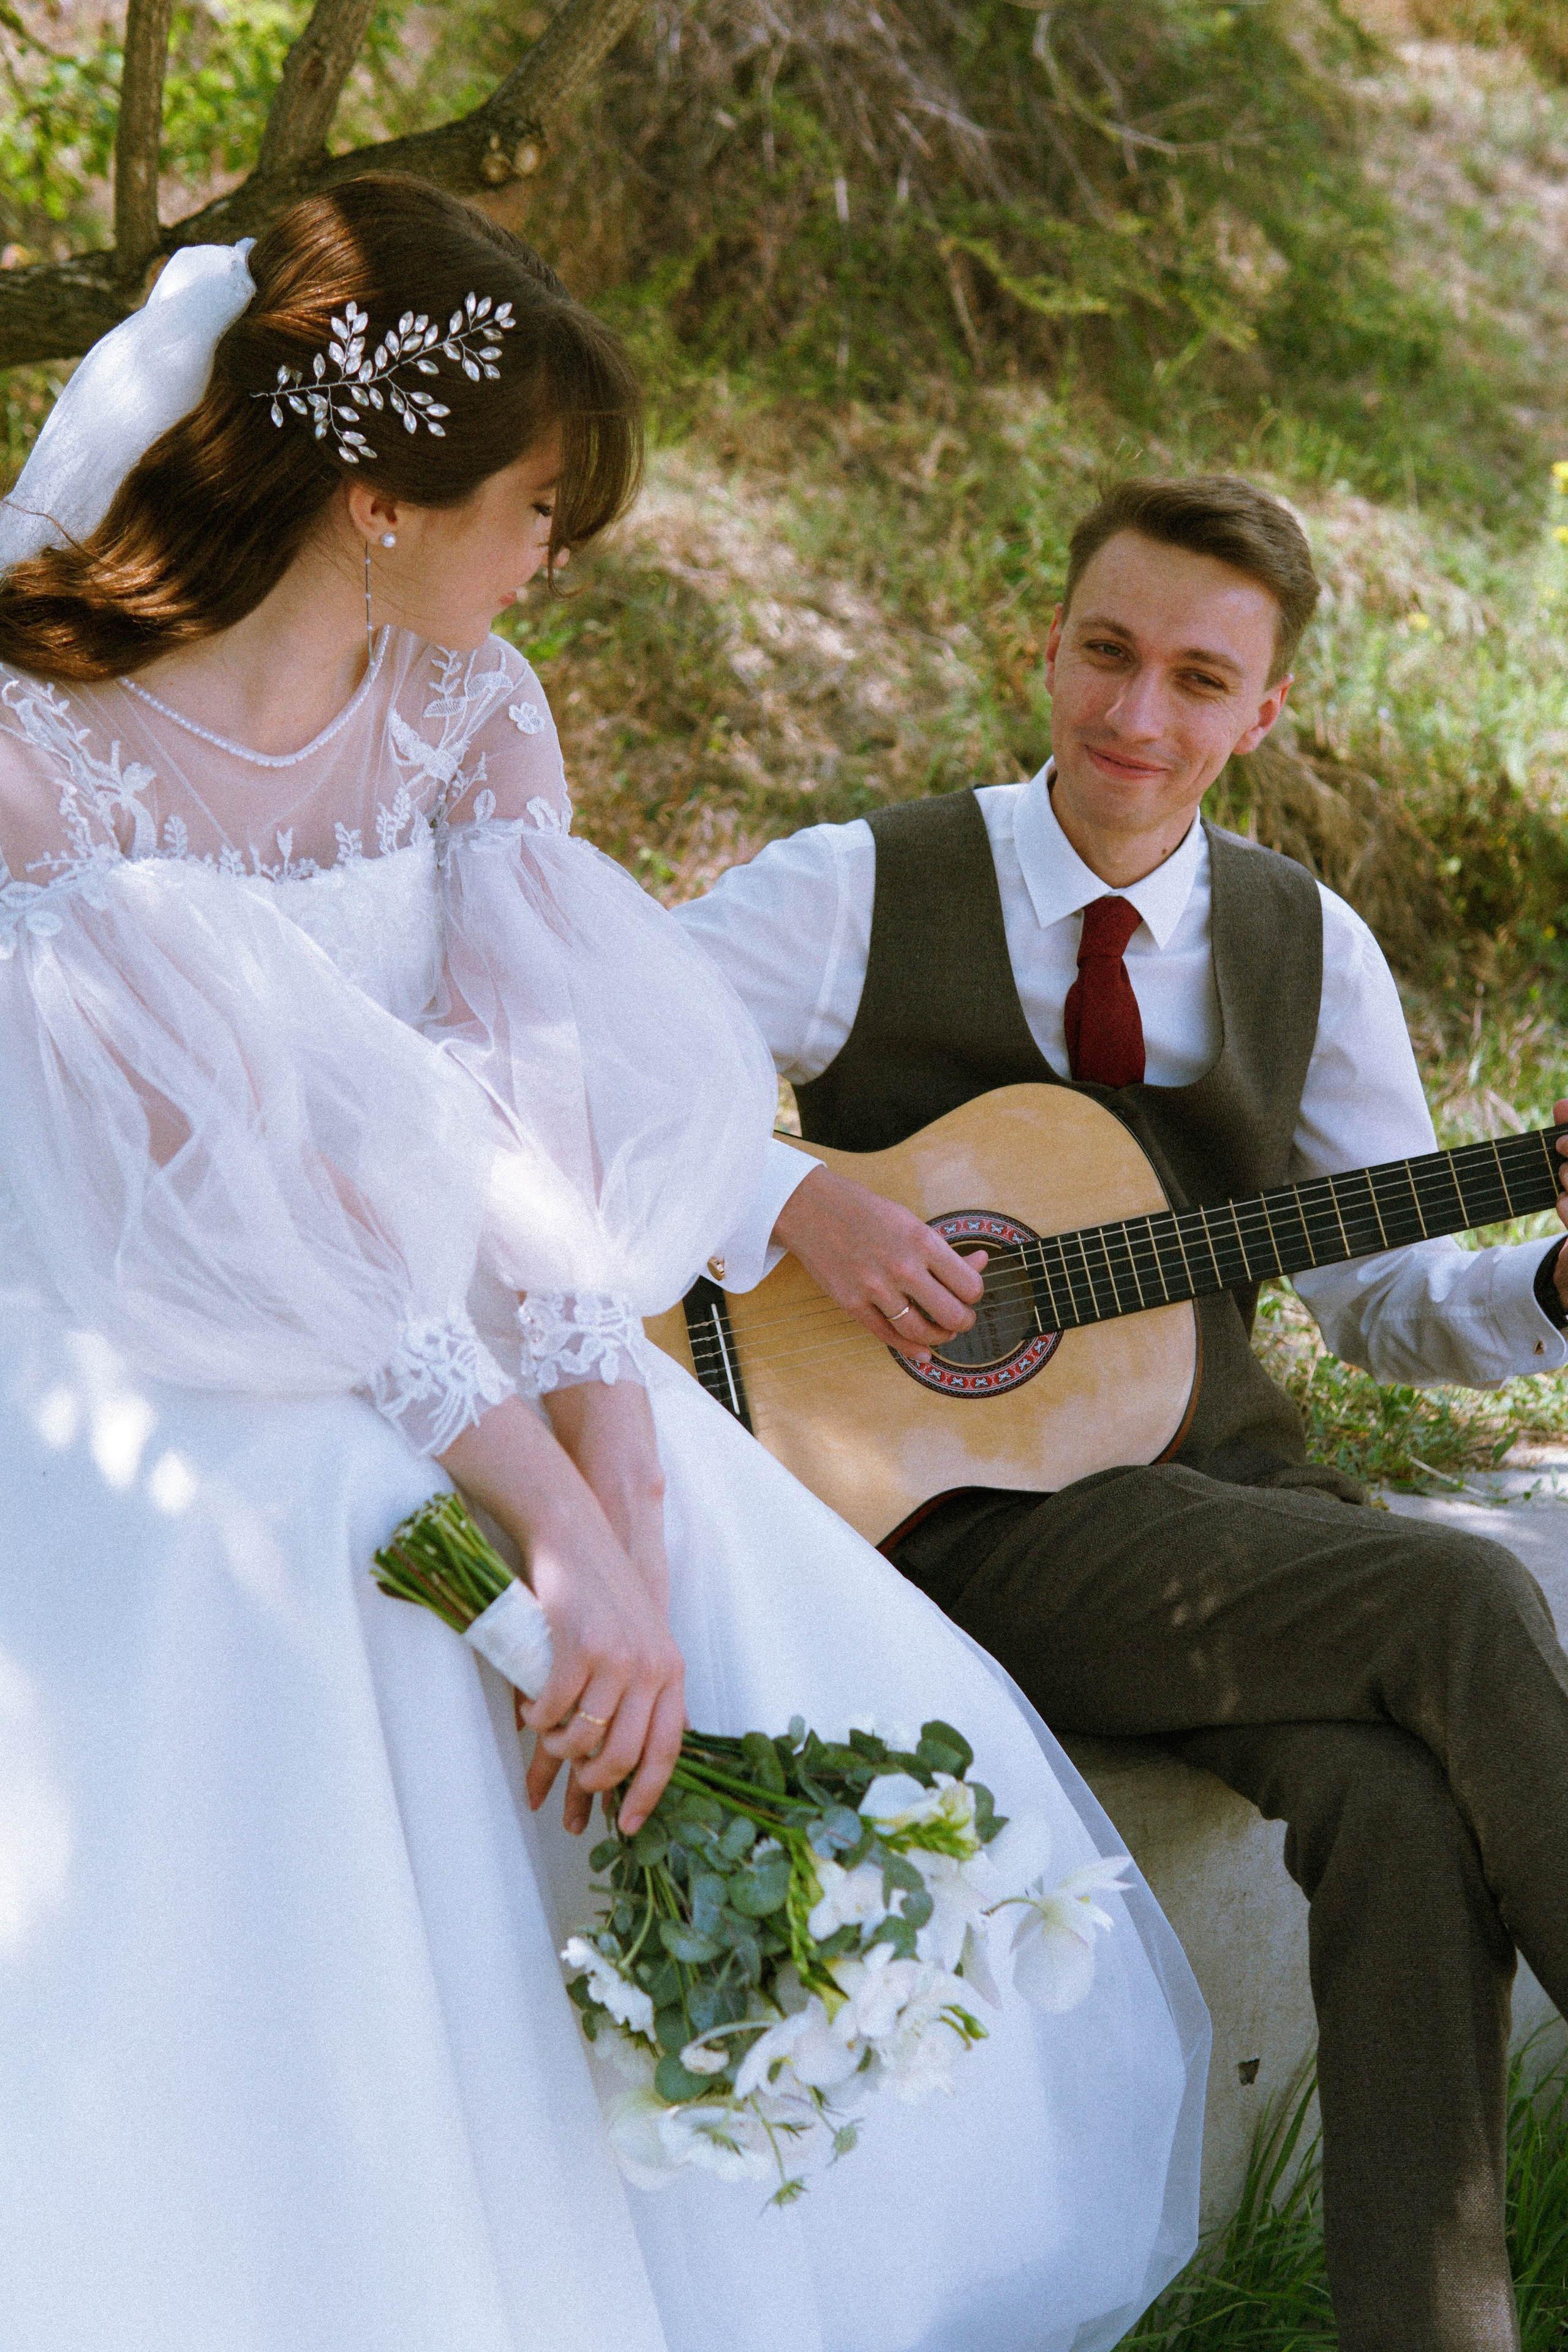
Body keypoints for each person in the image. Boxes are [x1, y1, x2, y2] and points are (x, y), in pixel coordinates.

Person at [0, 179, 1207, 2352]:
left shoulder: (471, 715)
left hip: (455, 1324)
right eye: (537, 504)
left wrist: (624, 1502)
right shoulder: (43, 752)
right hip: (172, 1353)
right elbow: (270, 1225)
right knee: (372, 1558)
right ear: (377, 496)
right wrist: (543, 1528)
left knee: (700, 1580)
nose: (557, 554)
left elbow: (532, 1162)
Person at [673, 473, 1568, 2352]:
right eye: (1106, 652)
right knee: (1476, 1603)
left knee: (1402, 1806)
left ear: (1268, 713)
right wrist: (795, 1200)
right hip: (950, 1533)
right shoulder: (855, 887)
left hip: (1229, 1519)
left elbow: (1380, 1308)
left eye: (1196, 677)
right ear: (1048, 641)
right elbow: (577, 1072)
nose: (1136, 718)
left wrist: (1544, 1291)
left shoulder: (1308, 949)